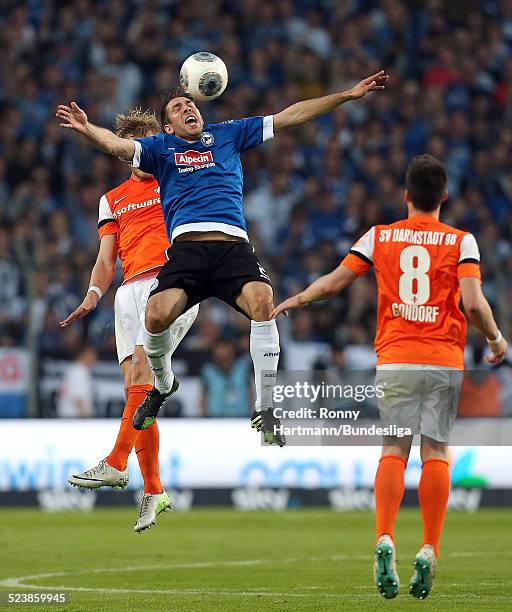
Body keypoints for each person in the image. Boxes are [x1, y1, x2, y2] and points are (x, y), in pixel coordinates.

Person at [56, 70, 389, 447]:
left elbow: (291, 115)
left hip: (232, 247)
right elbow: (118, 148)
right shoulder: (161, 150)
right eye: (178, 108)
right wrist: (87, 130)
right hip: (187, 251)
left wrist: (345, 94)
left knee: (264, 302)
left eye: (190, 103)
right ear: (168, 126)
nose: (187, 108)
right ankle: (163, 386)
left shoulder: (230, 134)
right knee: (156, 315)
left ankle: (265, 407)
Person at [271, 155, 508, 600]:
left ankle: (384, 536)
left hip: (395, 357)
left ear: (405, 195)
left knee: (394, 449)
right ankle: (430, 547)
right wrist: (496, 340)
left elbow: (335, 283)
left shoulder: (379, 236)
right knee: (436, 450)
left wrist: (298, 299)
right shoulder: (463, 241)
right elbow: (473, 303)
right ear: (444, 196)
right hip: (442, 358)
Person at [61, 109, 199, 533]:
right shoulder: (113, 199)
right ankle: (154, 491)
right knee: (137, 392)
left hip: (172, 281)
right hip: (128, 293)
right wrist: (93, 293)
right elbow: (106, 260)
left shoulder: (175, 176)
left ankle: (117, 463)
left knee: (142, 375)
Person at [56, 345, 97, 418]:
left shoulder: (76, 369)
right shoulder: (79, 371)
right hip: (74, 418)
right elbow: (77, 399)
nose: (95, 359)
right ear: (84, 355)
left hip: (71, 418)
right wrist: (85, 420)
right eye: (92, 355)